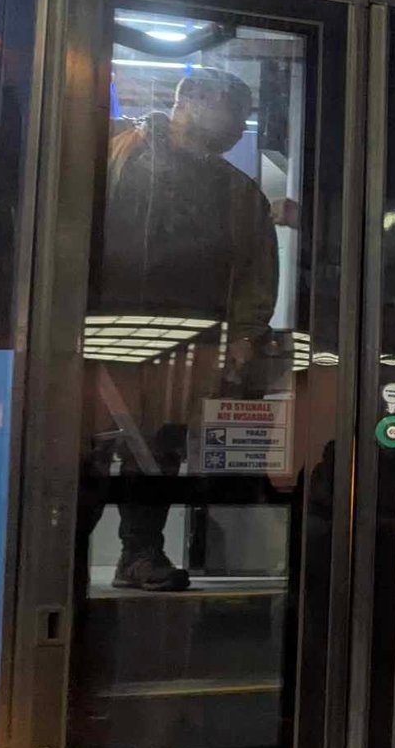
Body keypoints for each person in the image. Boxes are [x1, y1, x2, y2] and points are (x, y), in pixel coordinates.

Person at [84, 67, 277, 592]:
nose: (239, 125)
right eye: (232, 110)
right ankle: (59, 559)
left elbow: (256, 273)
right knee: (84, 448)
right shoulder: (116, 152)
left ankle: (140, 553)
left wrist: (244, 336)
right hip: (101, 332)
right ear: (187, 100)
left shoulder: (238, 192)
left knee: (159, 450)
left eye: (244, 114)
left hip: (186, 343)